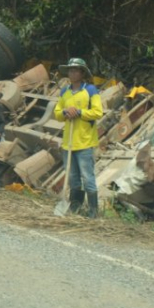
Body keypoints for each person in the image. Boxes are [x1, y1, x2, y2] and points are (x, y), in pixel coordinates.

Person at [54, 58, 103, 218]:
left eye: (76, 70)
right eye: (70, 70)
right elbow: (57, 113)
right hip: (68, 143)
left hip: (85, 142)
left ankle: (93, 211)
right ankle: (75, 207)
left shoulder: (90, 90)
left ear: (82, 73)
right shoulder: (65, 92)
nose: (72, 73)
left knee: (88, 177)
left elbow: (97, 112)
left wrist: (80, 112)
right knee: (73, 178)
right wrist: (65, 113)